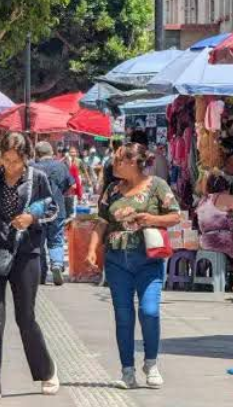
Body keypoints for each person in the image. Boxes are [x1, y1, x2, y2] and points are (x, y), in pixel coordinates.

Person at [86, 142, 181, 390]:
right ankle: (127, 370)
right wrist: (91, 249)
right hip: (117, 260)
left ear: (134, 163)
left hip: (148, 259)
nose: (114, 164)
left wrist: (152, 219)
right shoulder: (112, 190)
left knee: (149, 312)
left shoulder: (156, 186)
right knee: (123, 316)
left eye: (119, 160)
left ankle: (151, 363)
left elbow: (175, 215)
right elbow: (101, 222)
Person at [0, 132, 60, 402]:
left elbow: (52, 210)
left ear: (26, 158)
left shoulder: (38, 179)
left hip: (27, 253)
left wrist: (31, 218)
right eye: (5, 159)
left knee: (25, 317)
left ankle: (46, 370)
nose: (10, 166)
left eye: (15, 161)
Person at [197, 171, 233, 292]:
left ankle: (232, 275)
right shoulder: (223, 197)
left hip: (205, 241)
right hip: (221, 241)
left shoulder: (203, 200)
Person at [33, 141, 76, 286]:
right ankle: (57, 264)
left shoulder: (32, 167)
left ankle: (40, 273)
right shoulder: (61, 166)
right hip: (58, 208)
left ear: (37, 153)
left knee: (38, 242)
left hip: (37, 211)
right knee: (56, 239)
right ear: (52, 152)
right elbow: (72, 187)